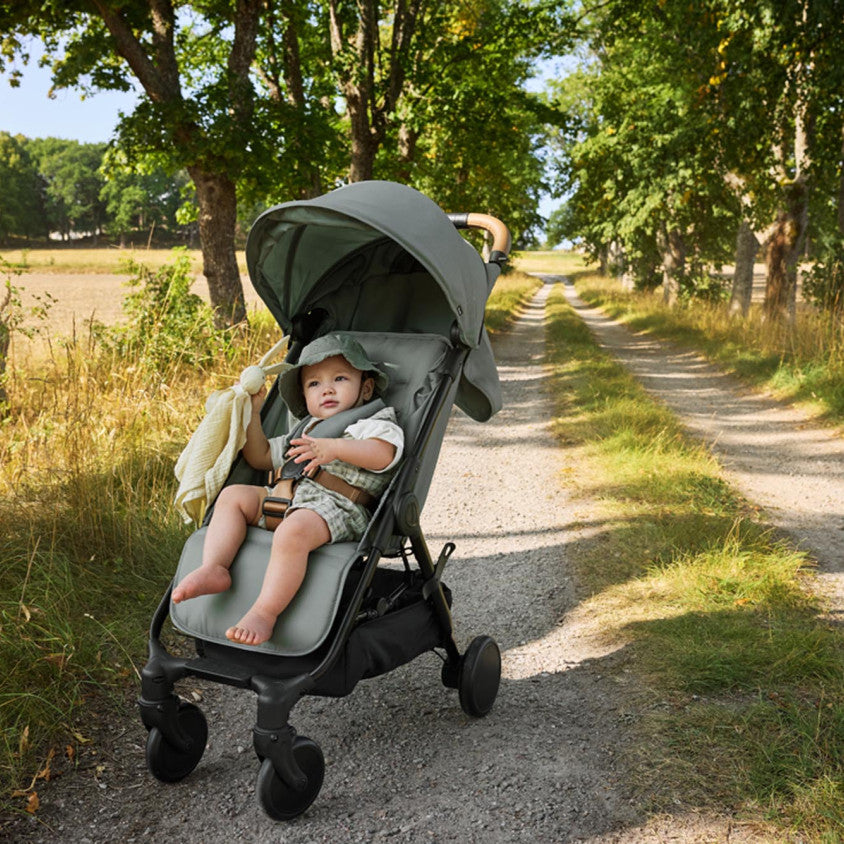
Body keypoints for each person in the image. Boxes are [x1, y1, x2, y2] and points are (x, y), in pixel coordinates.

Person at [171, 334, 404, 646]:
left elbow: (384, 455)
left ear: (366, 388)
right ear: (304, 396)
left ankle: (264, 612)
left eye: (339, 378)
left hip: (337, 507)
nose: (327, 389)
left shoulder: (375, 422)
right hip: (287, 498)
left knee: (291, 533)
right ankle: (215, 567)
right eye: (314, 384)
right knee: (233, 496)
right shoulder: (306, 428)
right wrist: (253, 414)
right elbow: (261, 456)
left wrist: (335, 448)